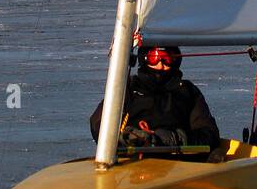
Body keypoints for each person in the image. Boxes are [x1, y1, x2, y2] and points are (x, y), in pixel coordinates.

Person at [90, 45, 221, 160]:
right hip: (132, 164)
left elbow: (209, 134)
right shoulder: (129, 88)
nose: (160, 64)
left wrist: (173, 139)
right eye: (155, 57)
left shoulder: (186, 91)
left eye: (167, 58)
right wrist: (126, 137)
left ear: (175, 59)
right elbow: (98, 123)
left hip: (177, 165)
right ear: (144, 58)